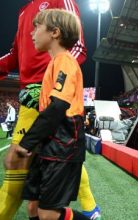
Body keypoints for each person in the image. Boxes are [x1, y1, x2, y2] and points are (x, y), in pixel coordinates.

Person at [0, 1, 101, 219]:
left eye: (37, 28)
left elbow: (58, 107)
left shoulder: (63, 62)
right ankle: (90, 208)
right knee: (33, 208)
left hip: (63, 138)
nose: (31, 33)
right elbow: (15, 54)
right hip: (49, 137)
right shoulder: (23, 13)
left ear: (54, 33)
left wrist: (24, 145)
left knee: (47, 213)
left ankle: (90, 210)